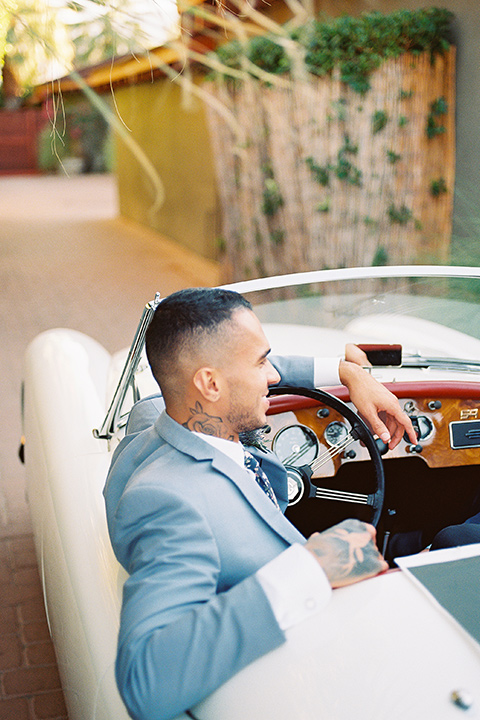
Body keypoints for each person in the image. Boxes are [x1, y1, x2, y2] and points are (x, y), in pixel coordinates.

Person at [103, 287, 417, 720]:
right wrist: (312, 566)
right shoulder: (168, 502)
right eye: (261, 362)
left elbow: (251, 366)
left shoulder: (157, 411)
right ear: (210, 383)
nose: (274, 376)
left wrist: (348, 373)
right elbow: (145, 682)